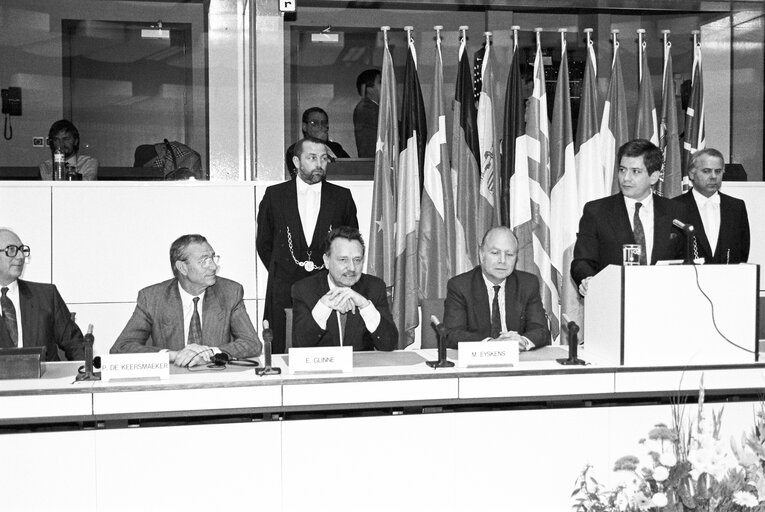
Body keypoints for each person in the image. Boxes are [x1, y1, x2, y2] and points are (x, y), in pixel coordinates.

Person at [257, 137, 358, 353]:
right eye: (312, 158)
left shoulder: (342, 197)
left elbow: (351, 243)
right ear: (296, 161)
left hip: (328, 288)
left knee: (328, 352)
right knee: (283, 351)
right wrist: (286, 269)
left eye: (323, 158)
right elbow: (264, 244)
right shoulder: (274, 196)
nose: (319, 164)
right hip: (284, 289)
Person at [110, 234, 261, 367]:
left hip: (216, 380)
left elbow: (252, 343)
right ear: (182, 267)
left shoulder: (229, 292)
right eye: (204, 261)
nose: (213, 266)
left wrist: (210, 352)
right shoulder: (152, 298)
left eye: (213, 258)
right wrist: (174, 355)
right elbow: (121, 348)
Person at [571, 139, 689, 296]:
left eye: (635, 171)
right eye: (622, 170)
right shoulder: (597, 211)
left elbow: (686, 260)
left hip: (664, 301)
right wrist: (587, 279)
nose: (625, 178)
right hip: (613, 301)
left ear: (653, 177)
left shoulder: (676, 211)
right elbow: (582, 261)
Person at [291, 226, 397, 351]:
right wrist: (323, 306)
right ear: (326, 261)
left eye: (357, 260)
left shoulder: (374, 287)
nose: (352, 268)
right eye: (343, 260)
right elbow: (299, 346)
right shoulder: (304, 289)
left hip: (360, 368)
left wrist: (365, 306)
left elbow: (390, 344)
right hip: (322, 368)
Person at [443, 226, 550, 350]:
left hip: (518, 359)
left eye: (509, 254)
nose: (503, 260)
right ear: (481, 254)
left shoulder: (528, 284)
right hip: (478, 360)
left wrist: (523, 341)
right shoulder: (460, 286)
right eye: (495, 253)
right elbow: (452, 334)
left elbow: (541, 330)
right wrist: (491, 344)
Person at [0, 228, 85, 360]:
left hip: (45, 378)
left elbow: (76, 344)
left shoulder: (46, 296)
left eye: (22, 250)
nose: (20, 256)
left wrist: (82, 373)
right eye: (11, 250)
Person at [673, 148, 750, 264]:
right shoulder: (674, 207)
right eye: (706, 171)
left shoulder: (736, 207)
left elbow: (742, 251)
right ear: (692, 174)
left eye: (718, 171)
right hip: (687, 279)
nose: (713, 176)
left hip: (728, 279)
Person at [285, 108, 350, 176]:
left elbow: (352, 168)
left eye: (324, 123)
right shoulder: (295, 149)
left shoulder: (335, 147)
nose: (320, 126)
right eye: (314, 123)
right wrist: (318, 142)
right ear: (304, 127)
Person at [353, 69, 381, 158]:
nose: (386, 85)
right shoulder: (366, 108)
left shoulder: (373, 107)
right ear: (369, 89)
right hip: (373, 165)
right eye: (380, 82)